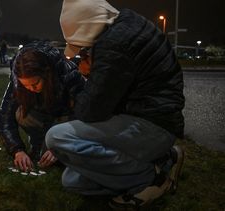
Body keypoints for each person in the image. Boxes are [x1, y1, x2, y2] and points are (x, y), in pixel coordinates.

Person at [45, 0, 185, 209]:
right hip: (149, 120)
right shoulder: (123, 25)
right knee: (72, 181)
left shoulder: (114, 45)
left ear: (86, 27)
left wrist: (88, 74)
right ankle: (163, 160)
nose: (82, 53)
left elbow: (90, 110)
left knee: (56, 136)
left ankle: (151, 179)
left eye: (81, 46)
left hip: (152, 125)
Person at [0, 41, 85, 172]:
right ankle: (39, 143)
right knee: (20, 113)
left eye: (35, 84)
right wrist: (17, 150)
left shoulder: (68, 74)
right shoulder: (18, 80)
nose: (31, 89)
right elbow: (5, 116)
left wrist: (60, 147)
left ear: (46, 75)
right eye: (25, 86)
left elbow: (82, 115)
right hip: (41, 118)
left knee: (59, 158)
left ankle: (53, 146)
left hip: (64, 119)